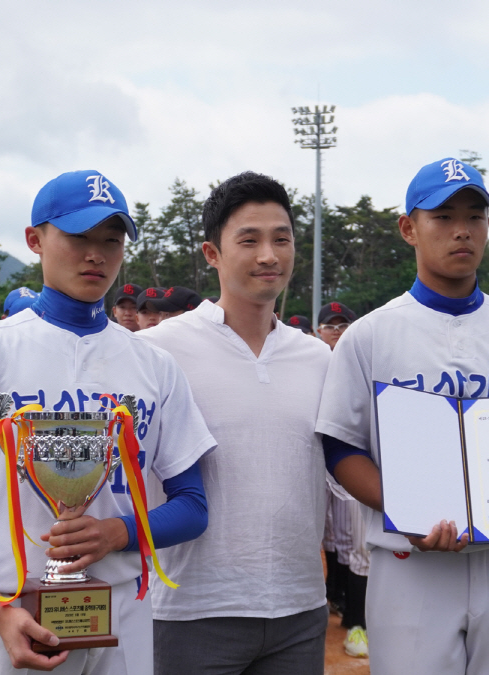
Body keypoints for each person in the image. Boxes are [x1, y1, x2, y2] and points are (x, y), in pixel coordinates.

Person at [0, 169, 216, 675]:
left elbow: (193, 506)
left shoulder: (154, 365)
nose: (96, 254)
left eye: (111, 240)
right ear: (35, 240)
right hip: (14, 609)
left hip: (123, 613)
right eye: (78, 236)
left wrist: (117, 532)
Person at [315, 158, 489, 675]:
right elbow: (342, 449)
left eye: (475, 216)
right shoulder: (370, 335)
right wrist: (409, 510)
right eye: (443, 216)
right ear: (408, 228)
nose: (462, 230)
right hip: (409, 563)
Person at [138, 171, 332, 675]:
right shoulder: (157, 351)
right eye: (249, 240)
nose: (269, 255)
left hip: (299, 609)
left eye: (281, 239)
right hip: (191, 610)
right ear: (212, 253)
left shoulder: (318, 358)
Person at [313, 299, 370, 657]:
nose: (336, 331)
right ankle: (330, 595)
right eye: (330, 326)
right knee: (325, 537)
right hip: (312, 462)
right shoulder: (310, 361)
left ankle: (356, 621)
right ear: (318, 331)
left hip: (349, 462)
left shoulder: (361, 361)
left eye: (342, 325)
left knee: (355, 541)